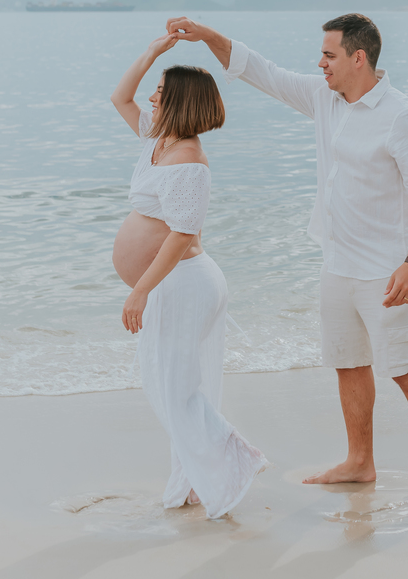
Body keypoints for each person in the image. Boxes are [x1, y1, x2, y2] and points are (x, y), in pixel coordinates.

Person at [167, 13, 408, 508]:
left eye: (328, 55)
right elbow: (263, 72)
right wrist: (208, 37)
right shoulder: (326, 99)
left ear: (358, 57)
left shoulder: (402, 115)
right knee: (348, 365)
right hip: (338, 262)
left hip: (387, 269)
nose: (320, 63)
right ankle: (360, 462)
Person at [110, 32, 267, 519]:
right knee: (166, 386)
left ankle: (237, 458)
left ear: (179, 100)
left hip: (183, 282)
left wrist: (139, 289)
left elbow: (181, 236)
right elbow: (120, 96)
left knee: (175, 389)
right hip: (170, 283)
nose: (151, 96)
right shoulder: (158, 139)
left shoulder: (189, 160)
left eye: (161, 89)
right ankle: (194, 483)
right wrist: (154, 52)